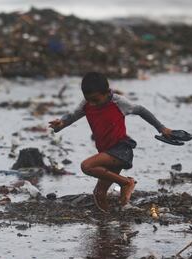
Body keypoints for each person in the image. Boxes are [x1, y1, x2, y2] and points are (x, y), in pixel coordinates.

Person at [49, 72, 172, 212]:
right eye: (88, 99)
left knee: (86, 166)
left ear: (107, 93)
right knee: (99, 194)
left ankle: (126, 182)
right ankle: (109, 220)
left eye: (96, 99)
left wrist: (161, 128)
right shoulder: (87, 104)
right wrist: (61, 124)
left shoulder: (118, 102)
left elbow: (141, 110)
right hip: (106, 152)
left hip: (121, 149)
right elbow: (72, 116)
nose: (92, 103)